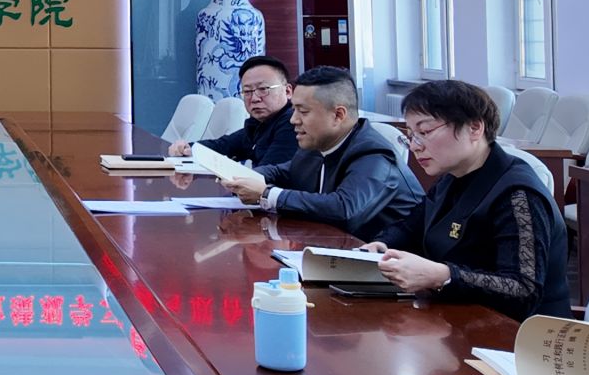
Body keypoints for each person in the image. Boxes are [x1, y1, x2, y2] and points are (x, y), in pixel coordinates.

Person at [360, 79, 570, 320]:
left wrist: (443, 276)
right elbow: (411, 227)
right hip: (462, 318)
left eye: (424, 132)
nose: (415, 146)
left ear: (474, 128)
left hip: (521, 333)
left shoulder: (518, 195)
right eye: (411, 135)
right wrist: (381, 245)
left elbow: (522, 290)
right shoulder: (452, 177)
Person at [219, 66, 421, 238]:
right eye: (293, 110)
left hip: (389, 262)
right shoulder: (318, 144)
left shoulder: (374, 155)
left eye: (303, 111)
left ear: (338, 115)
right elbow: (284, 172)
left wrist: (267, 194)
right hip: (331, 251)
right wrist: (244, 177)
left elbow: (344, 210)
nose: (293, 120)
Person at [169, 55, 297, 167]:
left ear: (287, 91)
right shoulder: (259, 124)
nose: (254, 98)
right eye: (247, 91)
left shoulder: (292, 123)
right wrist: (188, 148)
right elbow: (223, 145)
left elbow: (267, 175)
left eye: (263, 89)